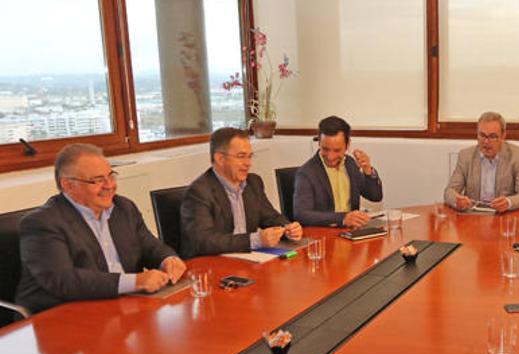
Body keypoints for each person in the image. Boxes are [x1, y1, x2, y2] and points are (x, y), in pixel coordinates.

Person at [16, 144, 186, 314]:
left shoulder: (123, 207)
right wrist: (134, 282)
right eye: (98, 180)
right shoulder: (42, 222)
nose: (109, 185)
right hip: (64, 314)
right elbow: (64, 280)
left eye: (111, 176)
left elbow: (149, 245)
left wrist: (167, 259)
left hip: (123, 306)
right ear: (68, 185)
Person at [180, 128, 302, 259]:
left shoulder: (253, 182)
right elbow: (203, 241)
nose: (248, 163)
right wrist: (254, 240)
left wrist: (288, 228)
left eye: (250, 156)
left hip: (249, 258)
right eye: (241, 156)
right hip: (213, 262)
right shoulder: (199, 192)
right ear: (220, 159)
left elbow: (270, 217)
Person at [293, 116, 383, 227]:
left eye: (337, 150)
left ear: (347, 145)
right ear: (319, 143)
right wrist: (343, 218)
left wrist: (368, 171)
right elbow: (302, 214)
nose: (330, 157)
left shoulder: (350, 164)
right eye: (325, 149)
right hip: (324, 233)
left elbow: (375, 196)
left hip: (352, 232)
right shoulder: (306, 173)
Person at [443, 111, 519, 212]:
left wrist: (508, 202)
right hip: (474, 214)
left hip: (504, 215)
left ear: (503, 136)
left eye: (492, 136)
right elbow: (449, 191)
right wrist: (457, 200)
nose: (486, 142)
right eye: (482, 135)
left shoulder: (517, 156)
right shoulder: (466, 156)